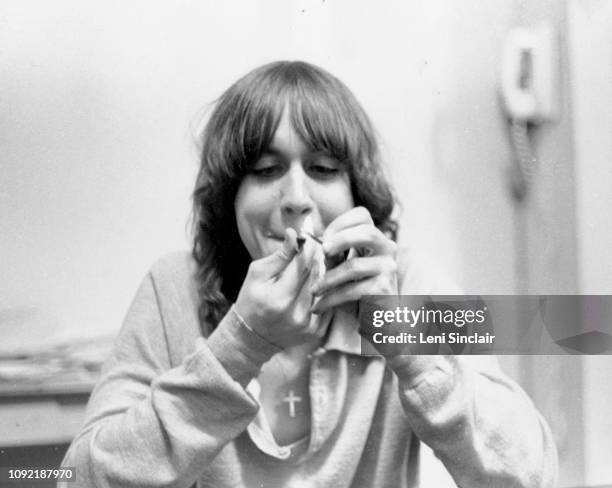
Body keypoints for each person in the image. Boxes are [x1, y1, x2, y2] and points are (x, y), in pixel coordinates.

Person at [60, 61, 558, 487]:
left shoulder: (412, 282)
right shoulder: (173, 290)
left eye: (322, 169)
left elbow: (529, 473)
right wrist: (240, 346)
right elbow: (78, 479)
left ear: (357, 193)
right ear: (229, 196)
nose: (296, 198)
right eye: (264, 170)